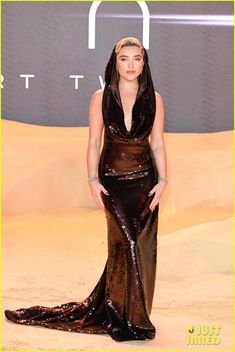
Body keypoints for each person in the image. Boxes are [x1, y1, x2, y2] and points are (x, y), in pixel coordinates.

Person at [4, 37, 167, 342]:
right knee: (127, 243)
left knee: (132, 249)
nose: (130, 65)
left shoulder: (155, 99)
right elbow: (94, 142)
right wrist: (93, 180)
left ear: (144, 63)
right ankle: (128, 319)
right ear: (114, 62)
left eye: (137, 59)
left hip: (144, 181)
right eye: (124, 59)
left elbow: (157, 143)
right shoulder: (100, 97)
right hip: (112, 182)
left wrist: (163, 181)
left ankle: (125, 309)